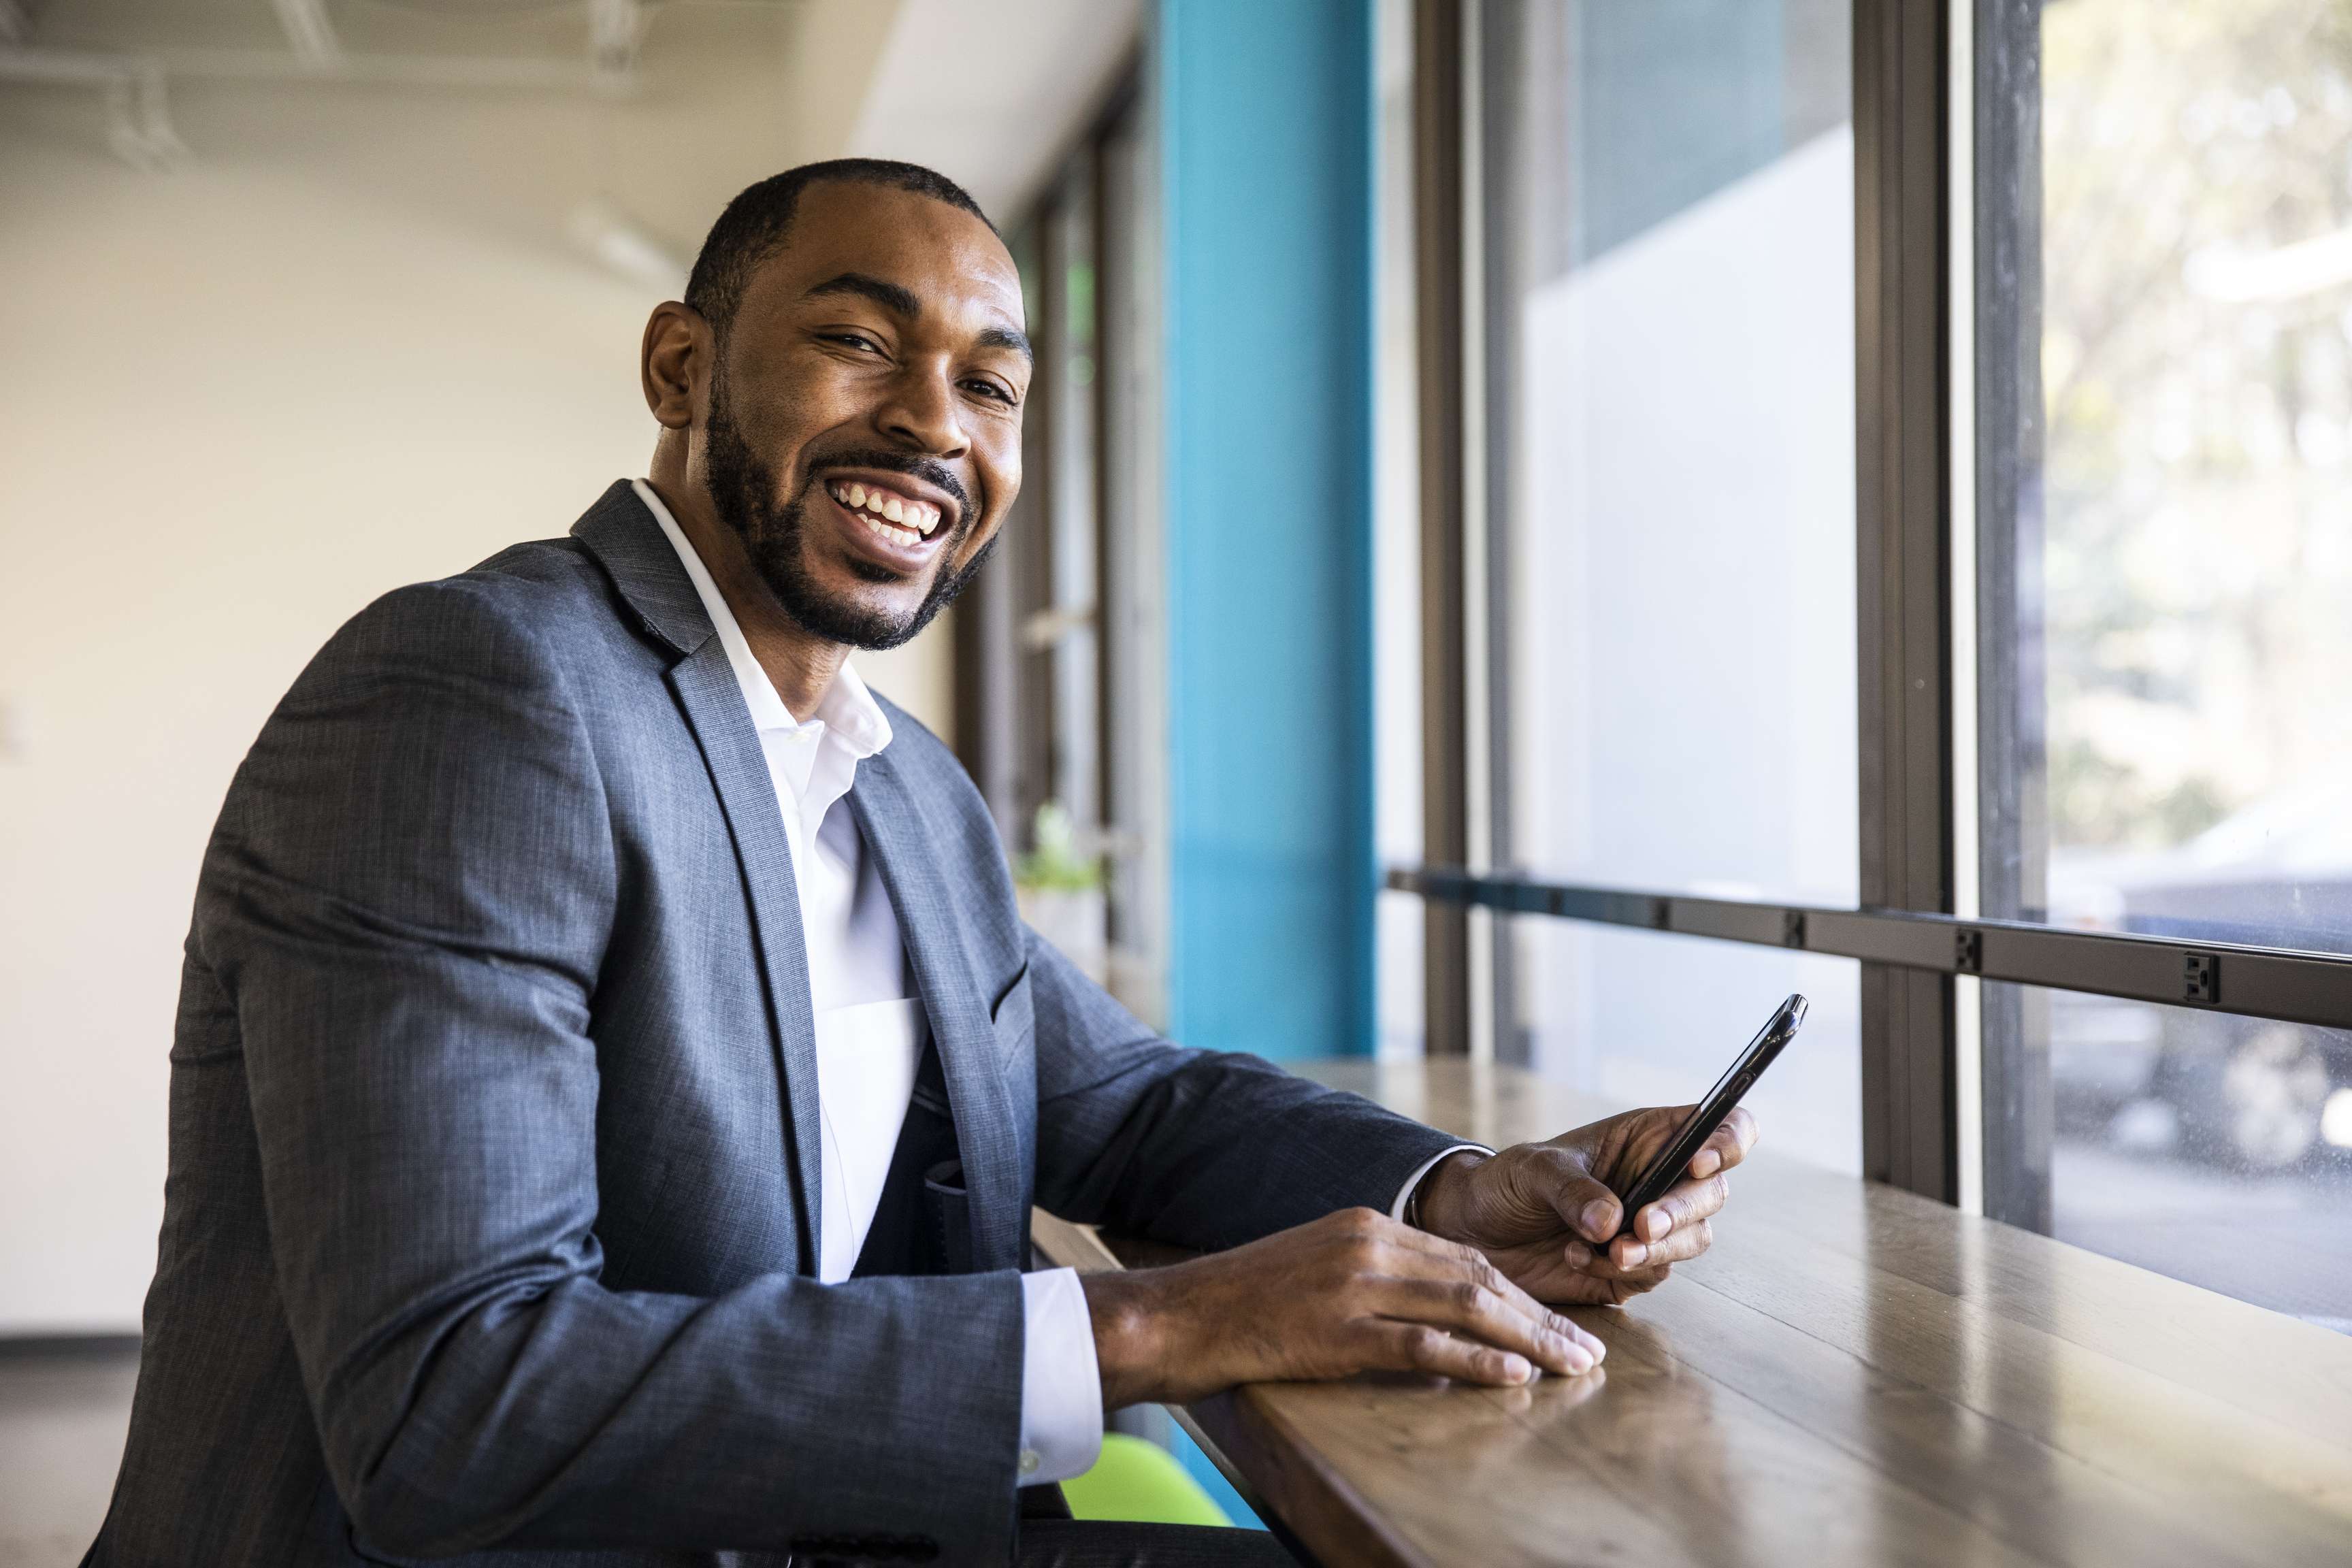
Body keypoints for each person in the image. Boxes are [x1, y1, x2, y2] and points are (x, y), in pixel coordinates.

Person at [84, 160, 1756, 1568]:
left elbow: (1129, 1104)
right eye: (858, 342)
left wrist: (1461, 1194)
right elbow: (457, 1394)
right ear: (680, 369)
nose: (932, 425)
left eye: (992, 384)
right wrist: (1164, 1327)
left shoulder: (899, 786)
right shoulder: (480, 695)